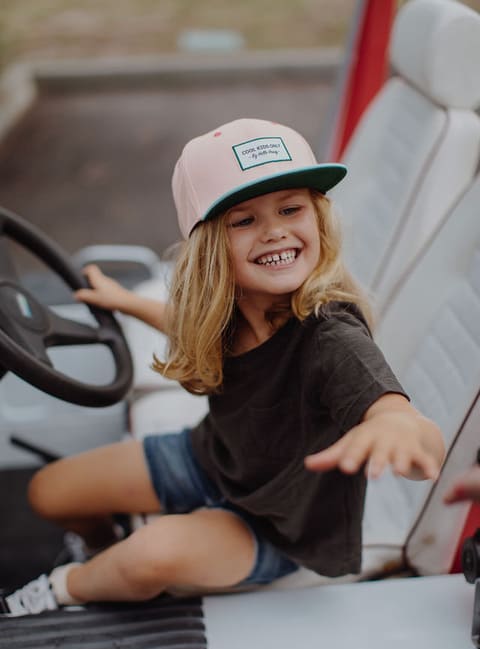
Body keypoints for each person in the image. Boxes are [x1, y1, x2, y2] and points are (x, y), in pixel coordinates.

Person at [1, 118, 445, 617]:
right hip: (211, 460)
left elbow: (397, 415)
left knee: (151, 556)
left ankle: (65, 589)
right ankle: (100, 553)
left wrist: (398, 427)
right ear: (210, 244)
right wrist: (124, 301)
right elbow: (188, 323)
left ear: (317, 219)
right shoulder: (236, 306)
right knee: (50, 491)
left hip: (278, 525)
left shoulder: (331, 335)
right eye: (244, 220)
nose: (275, 229)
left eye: (290, 208)